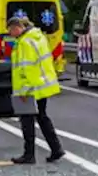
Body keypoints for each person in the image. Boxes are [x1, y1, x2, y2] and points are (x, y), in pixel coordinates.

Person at [7, 16, 64, 164]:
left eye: (10, 31)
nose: (10, 34)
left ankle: (29, 154)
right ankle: (56, 148)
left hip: (30, 88)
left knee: (27, 121)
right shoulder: (38, 37)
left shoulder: (24, 42)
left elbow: (27, 68)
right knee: (42, 117)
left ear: (16, 28)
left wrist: (25, 91)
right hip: (42, 86)